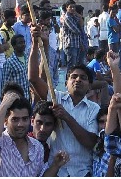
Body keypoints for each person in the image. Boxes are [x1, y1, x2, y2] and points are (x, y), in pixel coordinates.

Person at [29, 26, 99, 178]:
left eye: (83, 78)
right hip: (56, 171)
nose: (78, 80)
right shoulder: (56, 98)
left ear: (89, 86)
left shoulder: (93, 109)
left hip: (82, 172)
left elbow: (90, 142)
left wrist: (67, 117)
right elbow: (34, 78)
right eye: (73, 77)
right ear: (66, 81)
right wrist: (35, 44)